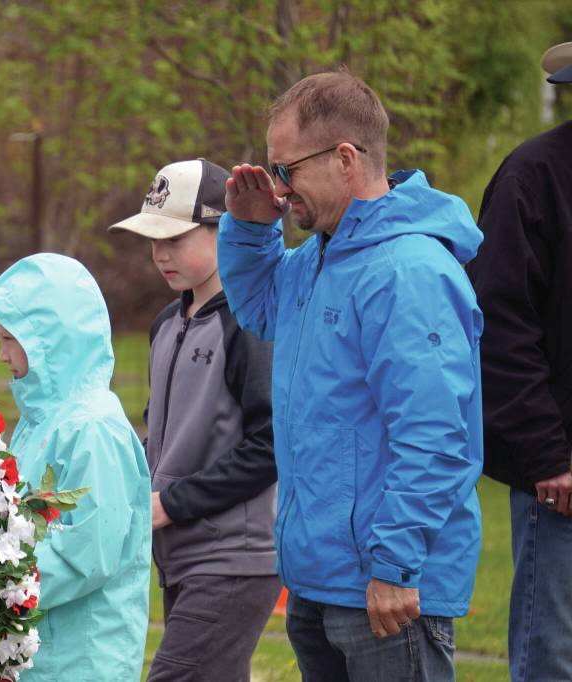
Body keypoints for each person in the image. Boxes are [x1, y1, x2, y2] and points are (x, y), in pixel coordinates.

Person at [217, 70, 484, 680]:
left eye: (287, 171)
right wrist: (252, 227)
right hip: (321, 580)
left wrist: (395, 565)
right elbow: (259, 308)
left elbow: (436, 435)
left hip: (386, 591)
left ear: (345, 158)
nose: (280, 191)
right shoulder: (319, 257)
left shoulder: (407, 270)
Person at [108, 159, 280, 681]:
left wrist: (172, 503)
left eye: (175, 238)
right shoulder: (166, 323)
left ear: (222, 228)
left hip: (234, 557)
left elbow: (271, 445)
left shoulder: (249, 323)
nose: (160, 254)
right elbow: (162, 433)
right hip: (181, 554)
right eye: (151, 240)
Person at [0, 253, 152, 681]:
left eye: (9, 339)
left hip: (84, 659)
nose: (1, 355)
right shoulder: (42, 421)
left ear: (50, 341)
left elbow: (88, 553)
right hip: (41, 654)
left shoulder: (93, 429)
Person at [465, 41, 572, 682]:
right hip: (562, 482)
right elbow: (500, 328)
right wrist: (547, 457)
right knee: (552, 659)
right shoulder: (533, 177)